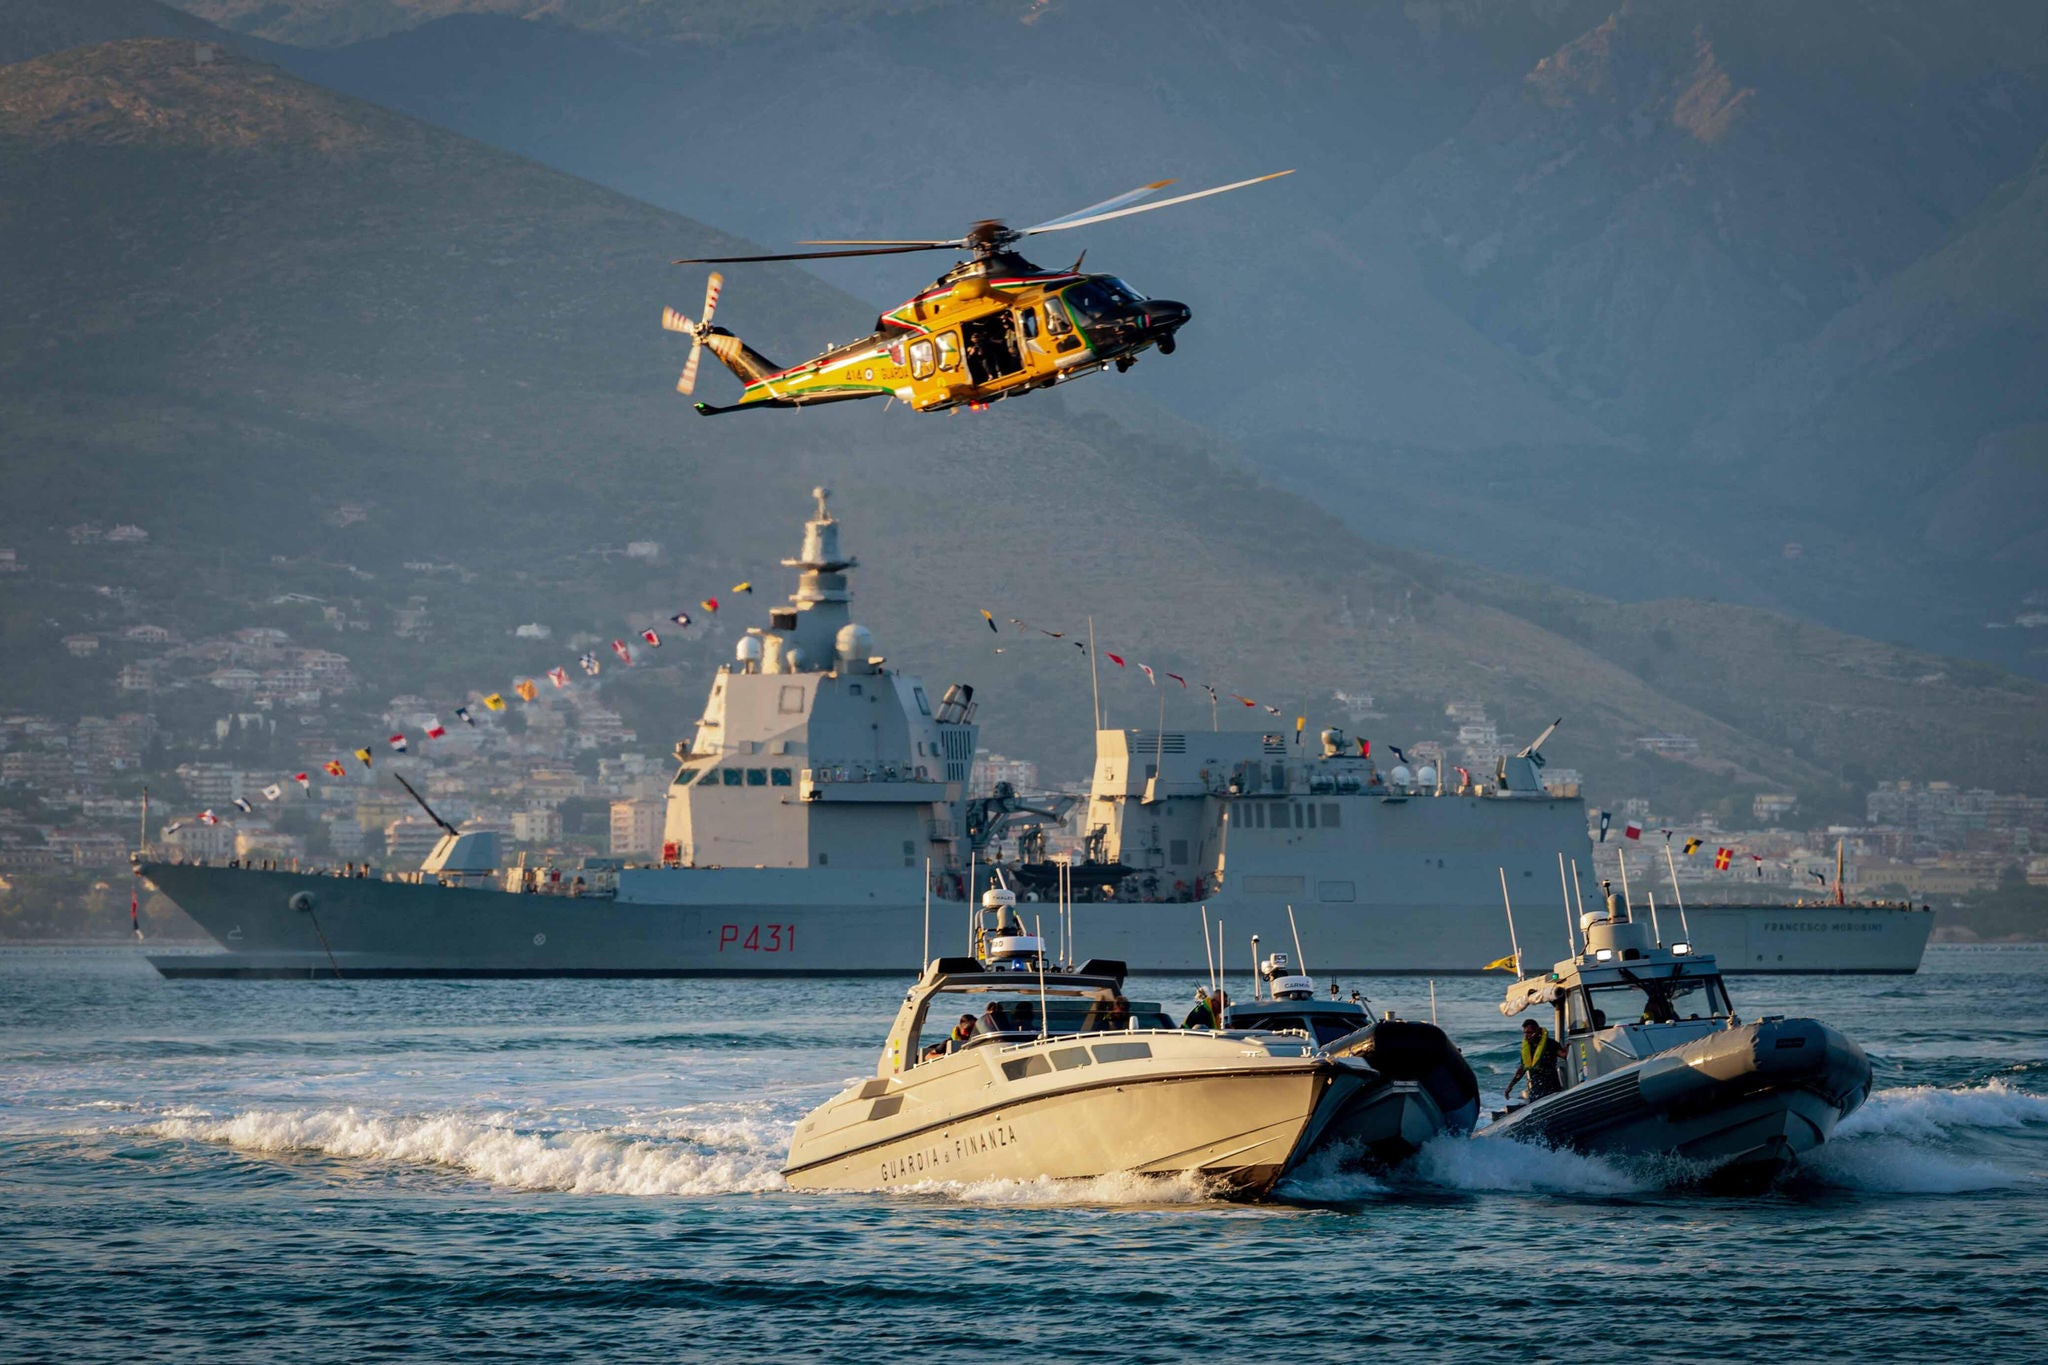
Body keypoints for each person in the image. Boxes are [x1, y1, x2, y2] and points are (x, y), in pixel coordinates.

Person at [1507, 1019, 1565, 1100]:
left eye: (1530, 1032)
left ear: (1537, 1031)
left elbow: (1563, 1055)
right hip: (1536, 1089)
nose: (1527, 1036)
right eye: (1525, 1033)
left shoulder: (1550, 1043)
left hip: (1552, 1087)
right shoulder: (1527, 1048)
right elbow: (1522, 1069)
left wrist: (1569, 1047)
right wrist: (1510, 1086)